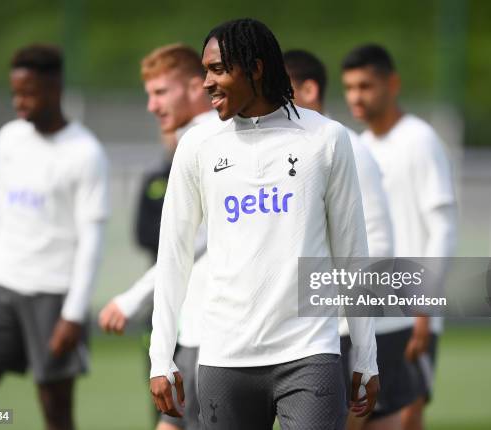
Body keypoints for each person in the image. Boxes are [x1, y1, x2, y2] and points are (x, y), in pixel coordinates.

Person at [149, 19, 379, 430]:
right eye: (205, 71)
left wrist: (365, 353)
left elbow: (352, 252)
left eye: (218, 70)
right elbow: (174, 256)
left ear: (256, 69)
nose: (205, 83)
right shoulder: (198, 146)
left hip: (310, 353)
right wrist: (160, 356)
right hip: (223, 358)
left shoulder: (326, 140)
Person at [0, 45, 109, 430]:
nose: (19, 103)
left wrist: (73, 314)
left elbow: (92, 238)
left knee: (55, 409)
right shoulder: (9, 139)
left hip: (52, 297)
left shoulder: (85, 153)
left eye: (29, 94)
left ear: (54, 89)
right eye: (14, 93)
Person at [285, 48, 427, 430]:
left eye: (279, 90)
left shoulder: (343, 145)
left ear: (309, 90)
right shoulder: (302, 151)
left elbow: (378, 242)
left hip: (366, 327)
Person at [341, 44, 457, 430]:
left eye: (365, 86)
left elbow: (443, 225)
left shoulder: (420, 139)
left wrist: (425, 303)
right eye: (350, 87)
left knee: (408, 414)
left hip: (413, 311)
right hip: (377, 311)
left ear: (393, 84)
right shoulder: (360, 146)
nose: (356, 96)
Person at [99, 43, 214, 430]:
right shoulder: (194, 140)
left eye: (161, 92)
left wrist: (133, 298)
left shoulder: (209, 142)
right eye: (150, 94)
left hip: (217, 331)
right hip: (194, 325)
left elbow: (193, 242)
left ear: (197, 87)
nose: (152, 105)